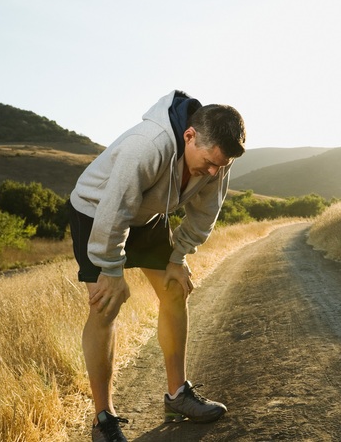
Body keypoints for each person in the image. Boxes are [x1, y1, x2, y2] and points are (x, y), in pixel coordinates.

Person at [66, 90, 245, 442]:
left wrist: (178, 257)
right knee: (107, 305)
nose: (213, 171)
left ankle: (177, 395)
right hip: (96, 212)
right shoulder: (146, 145)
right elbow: (114, 208)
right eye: (209, 162)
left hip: (147, 216)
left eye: (219, 166)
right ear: (189, 136)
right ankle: (104, 418)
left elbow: (206, 211)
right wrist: (111, 270)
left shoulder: (218, 154)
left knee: (175, 290)